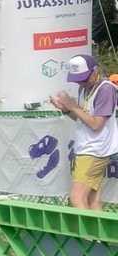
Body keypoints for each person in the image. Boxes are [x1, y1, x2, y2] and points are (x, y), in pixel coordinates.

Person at [50, 53, 118, 210]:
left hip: (94, 151)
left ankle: (87, 228)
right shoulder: (84, 88)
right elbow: (83, 119)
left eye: (84, 78)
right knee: (93, 200)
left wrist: (73, 106)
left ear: (95, 71)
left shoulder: (106, 89)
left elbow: (96, 125)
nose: (81, 82)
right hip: (88, 149)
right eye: (78, 79)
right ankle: (100, 227)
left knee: (77, 197)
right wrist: (66, 110)